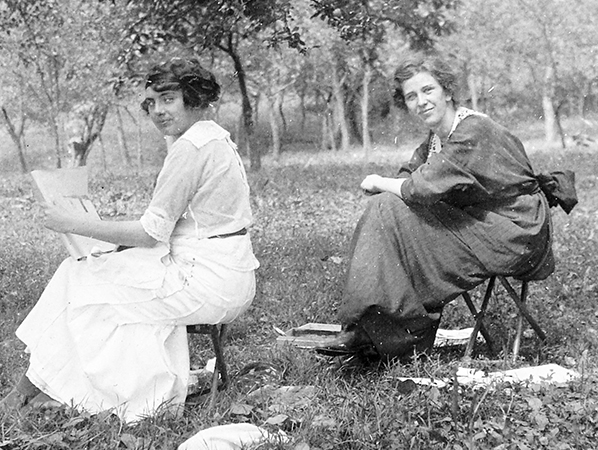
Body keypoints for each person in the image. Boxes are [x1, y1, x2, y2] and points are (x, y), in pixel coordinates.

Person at [0, 57, 259, 421]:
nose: (158, 112)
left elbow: (151, 234)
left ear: (194, 97)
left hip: (207, 280)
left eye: (168, 99)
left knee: (89, 289)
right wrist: (111, 241)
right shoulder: (211, 137)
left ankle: (95, 395)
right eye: (151, 104)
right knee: (82, 272)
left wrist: (74, 223)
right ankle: (37, 386)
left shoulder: (192, 148)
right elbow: (175, 225)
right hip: (218, 268)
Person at [316, 53, 556, 362]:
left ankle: (391, 331)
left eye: (428, 90)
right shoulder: (438, 138)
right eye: (411, 96)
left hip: (515, 231)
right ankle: (380, 327)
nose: (421, 101)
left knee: (389, 207)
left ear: (447, 91)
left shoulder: (473, 130)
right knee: (388, 209)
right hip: (483, 224)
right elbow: (411, 173)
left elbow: (420, 187)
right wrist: (390, 188)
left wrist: (378, 181)